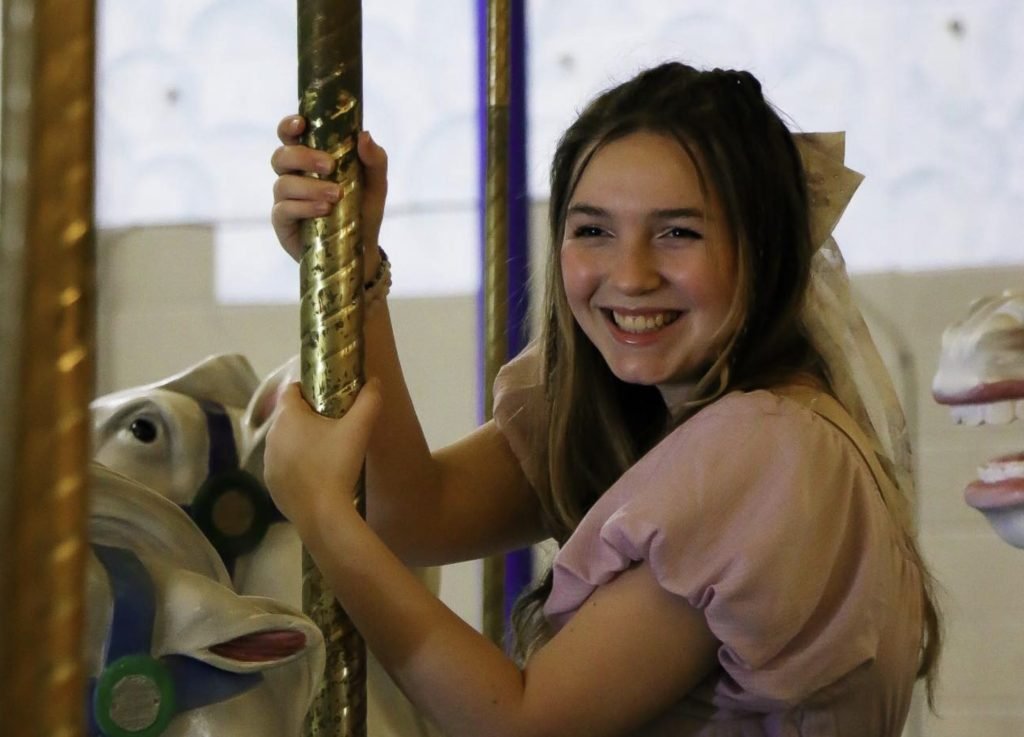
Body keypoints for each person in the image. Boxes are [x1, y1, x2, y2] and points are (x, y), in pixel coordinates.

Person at [264, 62, 941, 737]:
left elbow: (526, 722)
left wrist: (322, 514)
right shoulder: (649, 412)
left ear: (763, 249)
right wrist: (351, 259)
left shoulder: (765, 447)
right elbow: (416, 513)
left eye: (678, 232)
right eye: (593, 231)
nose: (631, 275)